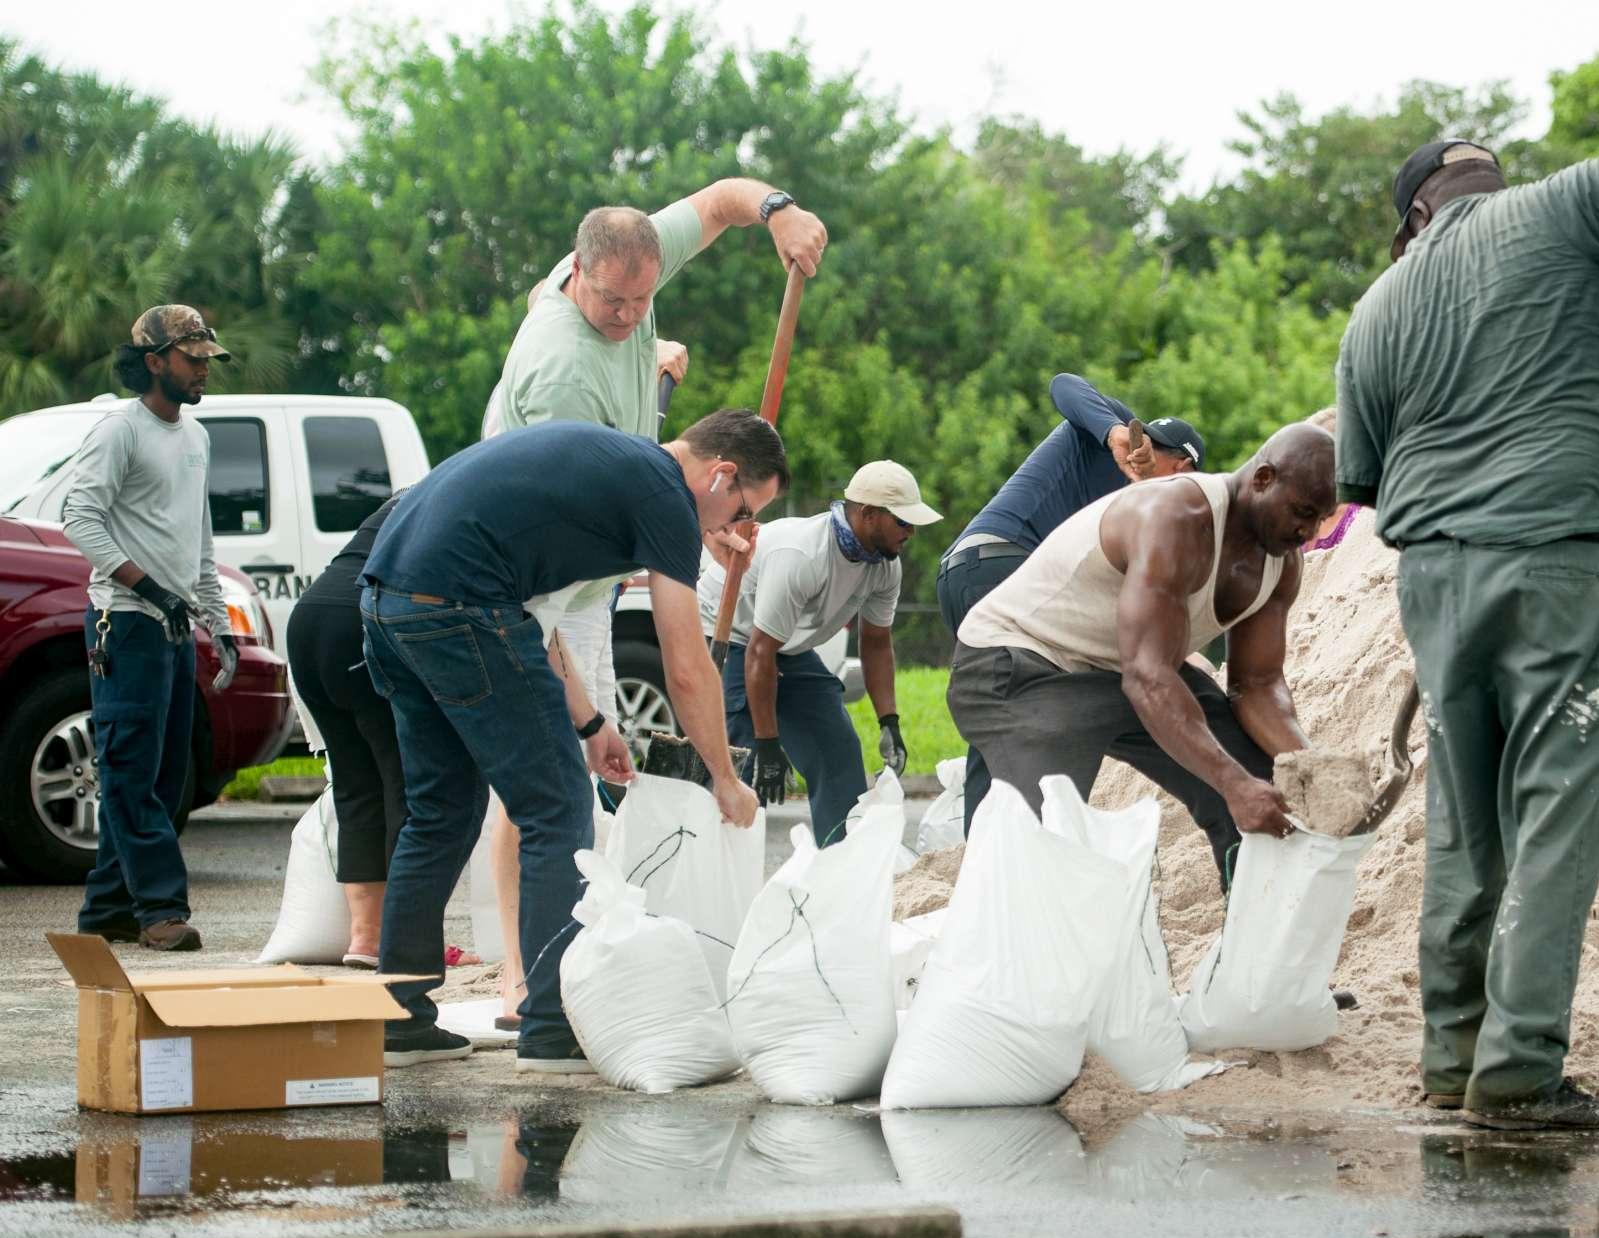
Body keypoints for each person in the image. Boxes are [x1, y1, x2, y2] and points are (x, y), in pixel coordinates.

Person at [1333, 134, 1599, 1130]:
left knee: (1465, 822)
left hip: (1434, 574)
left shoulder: (1373, 308)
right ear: (1484, 183)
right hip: (1562, 557)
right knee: (1554, 807)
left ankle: (1452, 1057)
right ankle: (1518, 1077)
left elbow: (1360, 481)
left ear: (1411, 220)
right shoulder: (1562, 209)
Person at [480, 180, 827, 1030]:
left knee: (573, 776)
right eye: (611, 300)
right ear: (578, 276)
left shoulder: (627, 264)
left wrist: (778, 211)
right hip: (529, 579)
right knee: (541, 780)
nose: (630, 315)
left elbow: (717, 202)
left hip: (587, 583)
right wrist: (690, 534)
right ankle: (521, 980)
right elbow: (594, 514)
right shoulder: (561, 371)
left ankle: (567, 956)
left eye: (643, 299)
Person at [359, 410, 789, 1070]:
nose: (732, 530)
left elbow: (532, 622)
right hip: (460, 605)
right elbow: (684, 660)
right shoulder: (665, 496)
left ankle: (400, 1017)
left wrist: (589, 724)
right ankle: (550, 1028)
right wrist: (724, 779)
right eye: (741, 510)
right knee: (556, 808)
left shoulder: (619, 469)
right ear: (721, 474)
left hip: (389, 602)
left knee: (441, 810)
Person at [948, 424, 1339, 887]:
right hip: (1017, 663)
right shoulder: (1176, 517)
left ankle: (1254, 939)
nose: (1308, 532)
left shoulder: (1281, 564)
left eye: (1320, 519)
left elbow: (1257, 685)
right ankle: (1009, 936)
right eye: (1302, 513)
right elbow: (1148, 678)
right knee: (1049, 839)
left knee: (1264, 784)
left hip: (1120, 668)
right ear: (1263, 478)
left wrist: (1311, 766)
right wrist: (1231, 785)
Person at [936, 372, 1206, 832]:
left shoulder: (1134, 512)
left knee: (1000, 716)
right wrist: (1117, 432)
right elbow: (1065, 385)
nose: (1145, 456)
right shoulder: (1105, 437)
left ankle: (985, 853)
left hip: (967, 574)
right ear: (1183, 471)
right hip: (1001, 566)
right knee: (1076, 705)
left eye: (1155, 450)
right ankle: (1038, 834)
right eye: (1148, 446)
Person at [61, 305, 239, 952]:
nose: (203, 372)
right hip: (126, 623)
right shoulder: (121, 431)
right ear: (155, 361)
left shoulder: (196, 437)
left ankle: (107, 909)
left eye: (207, 360)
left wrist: (217, 623)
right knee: (131, 771)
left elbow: (199, 541)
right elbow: (77, 518)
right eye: (193, 359)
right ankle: (161, 908)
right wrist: (146, 587)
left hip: (172, 627)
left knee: (162, 776)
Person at [698, 459, 943, 845]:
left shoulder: (884, 566)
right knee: (742, 756)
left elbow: (876, 642)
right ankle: (719, 864)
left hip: (783, 643)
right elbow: (759, 654)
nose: (910, 532)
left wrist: (889, 721)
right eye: (902, 521)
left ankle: (837, 869)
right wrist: (768, 743)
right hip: (727, 629)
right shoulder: (804, 555)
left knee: (837, 746)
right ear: (868, 514)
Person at [286, 491, 407, 967]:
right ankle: (405, 937)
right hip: (360, 622)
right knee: (405, 784)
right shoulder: (463, 503)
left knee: (357, 785)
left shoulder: (408, 498)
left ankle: (366, 938)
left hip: (308, 620)